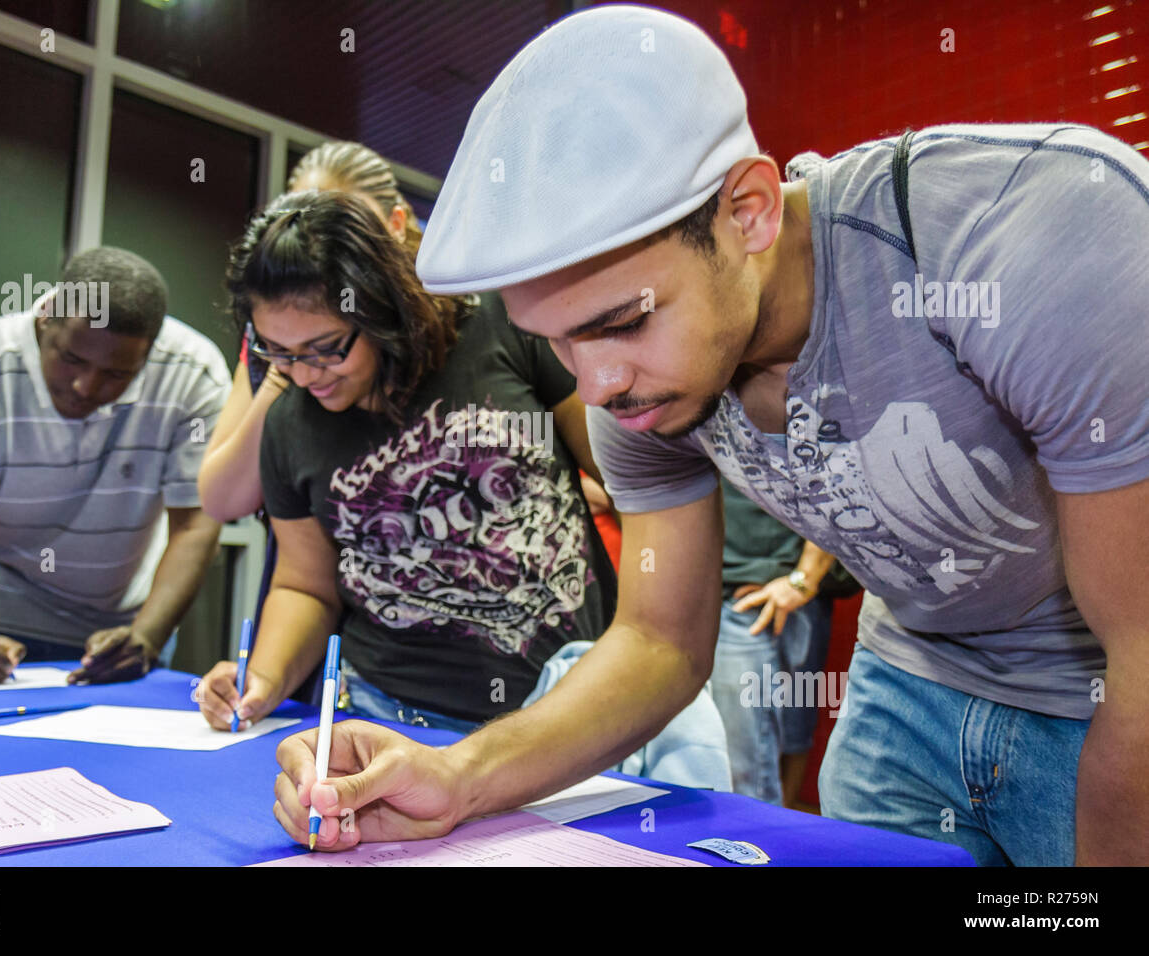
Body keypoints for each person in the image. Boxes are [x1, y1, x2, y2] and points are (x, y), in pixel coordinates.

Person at [270, 5, 1149, 865]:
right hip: (910, 679)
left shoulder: (1026, 234)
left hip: (1101, 698)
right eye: (557, 341)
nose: (596, 385)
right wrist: (457, 777)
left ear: (750, 212)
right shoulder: (639, 387)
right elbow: (658, 639)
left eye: (621, 322)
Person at [194, 189, 619, 735]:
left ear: (376, 306)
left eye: (326, 348)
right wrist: (264, 679)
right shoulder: (288, 425)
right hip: (393, 719)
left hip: (571, 704)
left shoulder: (499, 325)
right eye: (280, 353)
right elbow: (304, 586)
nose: (305, 375)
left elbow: (632, 477)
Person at [0, 247, 229, 684]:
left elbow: (196, 527)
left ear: (150, 355)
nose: (87, 386)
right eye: (71, 360)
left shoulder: (193, 375)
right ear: (45, 317)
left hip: (119, 628)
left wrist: (148, 635)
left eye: (117, 374)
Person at [197, 141, 420, 524]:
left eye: (346, 224)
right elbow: (222, 500)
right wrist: (287, 360)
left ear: (394, 226)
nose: (317, 244)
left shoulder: (456, 319)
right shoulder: (277, 351)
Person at [709, 478, 844, 807]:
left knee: (760, 761)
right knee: (749, 759)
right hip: (725, 594)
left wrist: (802, 579)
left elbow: (839, 484)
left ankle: (766, 845)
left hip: (769, 596)